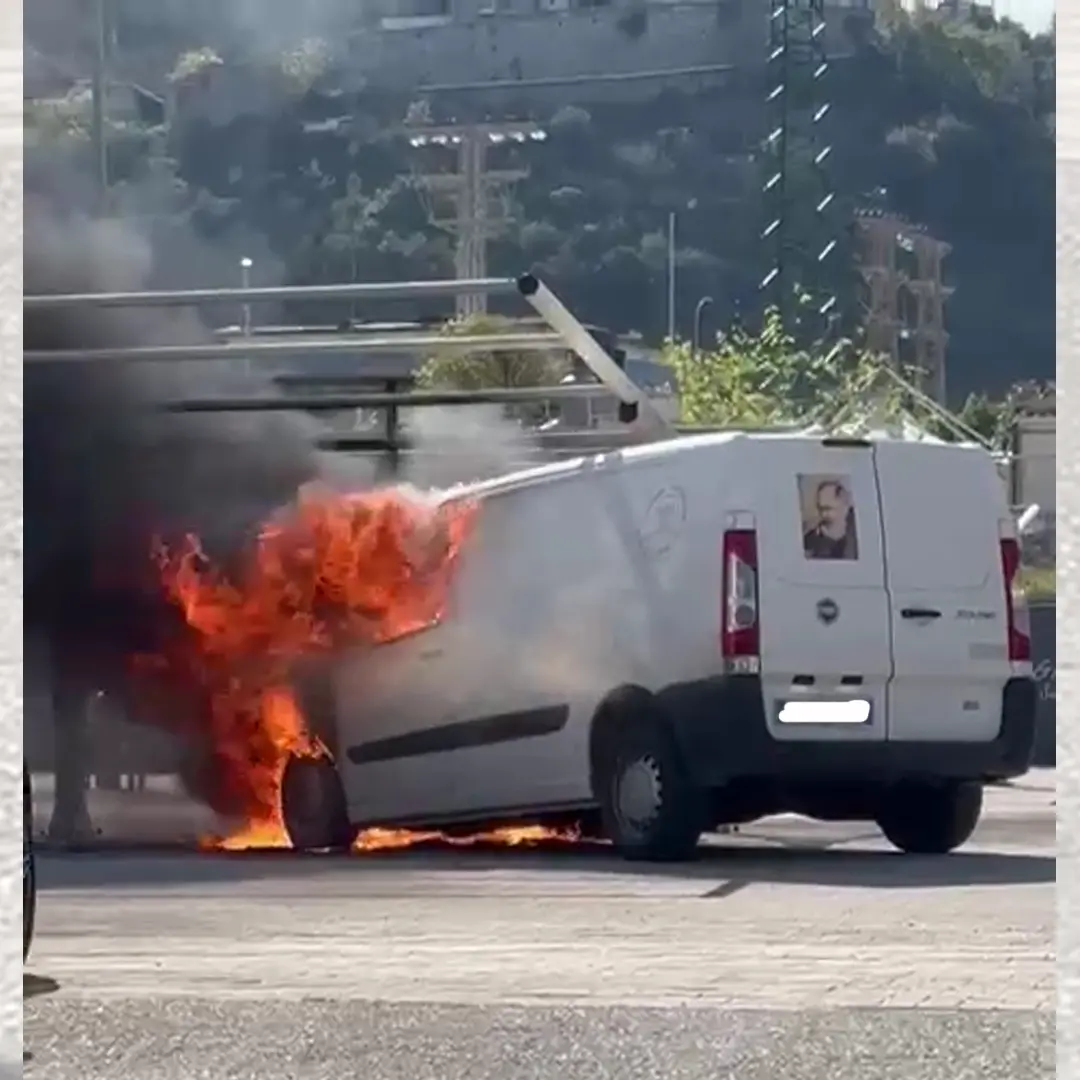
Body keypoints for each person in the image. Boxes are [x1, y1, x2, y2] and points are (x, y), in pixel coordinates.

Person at [803, 479, 858, 560]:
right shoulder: (813, 538)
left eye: (828, 508)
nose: (823, 514)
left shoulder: (857, 531)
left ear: (844, 505)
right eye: (820, 509)